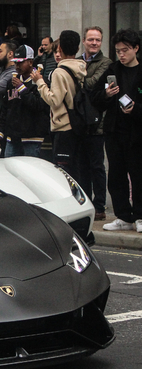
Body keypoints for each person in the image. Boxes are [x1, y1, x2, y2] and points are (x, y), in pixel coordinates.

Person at [91, 29, 142, 233]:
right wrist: (106, 94)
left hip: (137, 133)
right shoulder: (113, 70)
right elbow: (94, 97)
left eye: (125, 50)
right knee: (117, 175)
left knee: (138, 175)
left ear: (136, 49)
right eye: (118, 51)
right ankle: (123, 215)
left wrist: (136, 109)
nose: (121, 54)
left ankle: (140, 215)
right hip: (114, 131)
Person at [32, 30, 87, 183]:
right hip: (77, 123)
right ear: (77, 49)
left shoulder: (59, 72)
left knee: (64, 171)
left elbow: (54, 100)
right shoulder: (81, 68)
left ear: (60, 48)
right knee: (76, 169)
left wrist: (40, 82)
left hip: (63, 125)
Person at [78, 26, 112, 221]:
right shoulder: (77, 61)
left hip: (97, 123)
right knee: (82, 167)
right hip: (79, 122)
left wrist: (77, 79)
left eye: (97, 40)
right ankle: (86, 203)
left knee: (97, 167)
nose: (94, 43)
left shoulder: (106, 63)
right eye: (91, 39)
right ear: (84, 41)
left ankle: (99, 206)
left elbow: (91, 83)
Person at [0, 45, 49, 157]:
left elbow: (39, 105)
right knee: (10, 170)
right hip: (12, 137)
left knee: (30, 171)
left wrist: (22, 88)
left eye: (20, 62)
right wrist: (0, 132)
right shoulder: (11, 82)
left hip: (32, 137)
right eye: (15, 62)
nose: (17, 66)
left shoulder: (40, 81)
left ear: (30, 62)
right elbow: (5, 108)